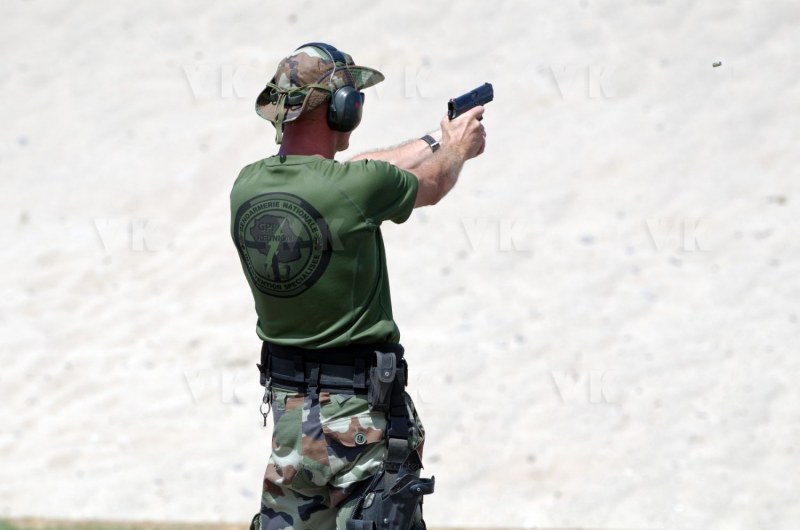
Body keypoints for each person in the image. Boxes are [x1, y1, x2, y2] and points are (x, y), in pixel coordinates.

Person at [230, 42, 486, 530]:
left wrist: (435, 139)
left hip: (290, 420)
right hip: (360, 423)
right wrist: (456, 149)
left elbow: (352, 174)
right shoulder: (357, 187)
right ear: (343, 108)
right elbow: (433, 184)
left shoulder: (248, 185)